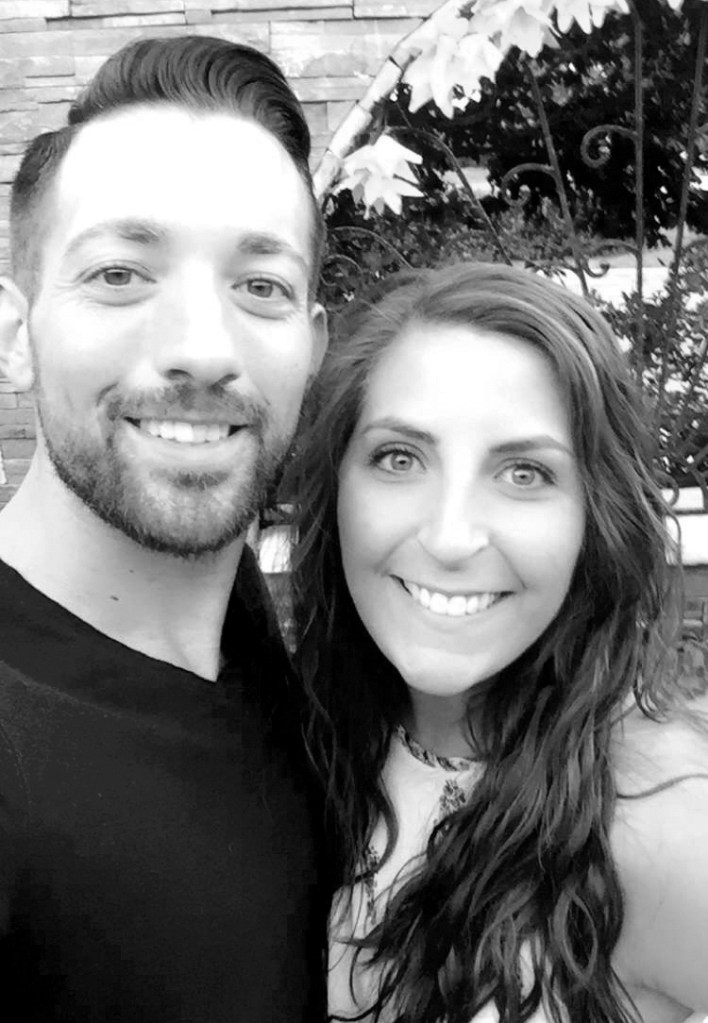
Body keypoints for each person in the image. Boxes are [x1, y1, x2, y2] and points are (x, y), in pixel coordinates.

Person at [0, 34, 328, 1022]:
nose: (201, 348)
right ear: (16, 334)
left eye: (260, 285)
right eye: (120, 273)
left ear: (311, 346)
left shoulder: (249, 632)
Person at [289, 262, 708, 1023]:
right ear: (337, 487)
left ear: (595, 517)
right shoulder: (293, 749)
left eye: (523, 472)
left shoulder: (661, 823)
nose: (451, 537)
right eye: (399, 458)